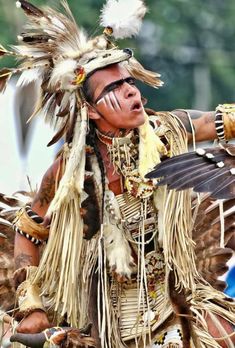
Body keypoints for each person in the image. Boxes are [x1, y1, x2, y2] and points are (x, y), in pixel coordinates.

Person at [1, 1, 235, 347]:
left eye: (129, 81)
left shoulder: (167, 130)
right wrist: (31, 303)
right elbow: (28, 230)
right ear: (91, 111)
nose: (131, 91)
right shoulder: (69, 170)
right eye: (114, 89)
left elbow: (217, 121)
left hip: (176, 301)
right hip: (104, 314)